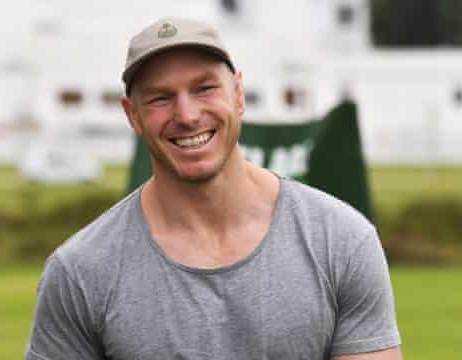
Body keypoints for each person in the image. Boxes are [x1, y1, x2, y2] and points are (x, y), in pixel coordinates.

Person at [25, 17, 402, 359]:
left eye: (204, 88)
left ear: (238, 93)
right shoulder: (80, 272)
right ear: (132, 115)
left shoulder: (340, 241)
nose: (187, 116)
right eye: (161, 97)